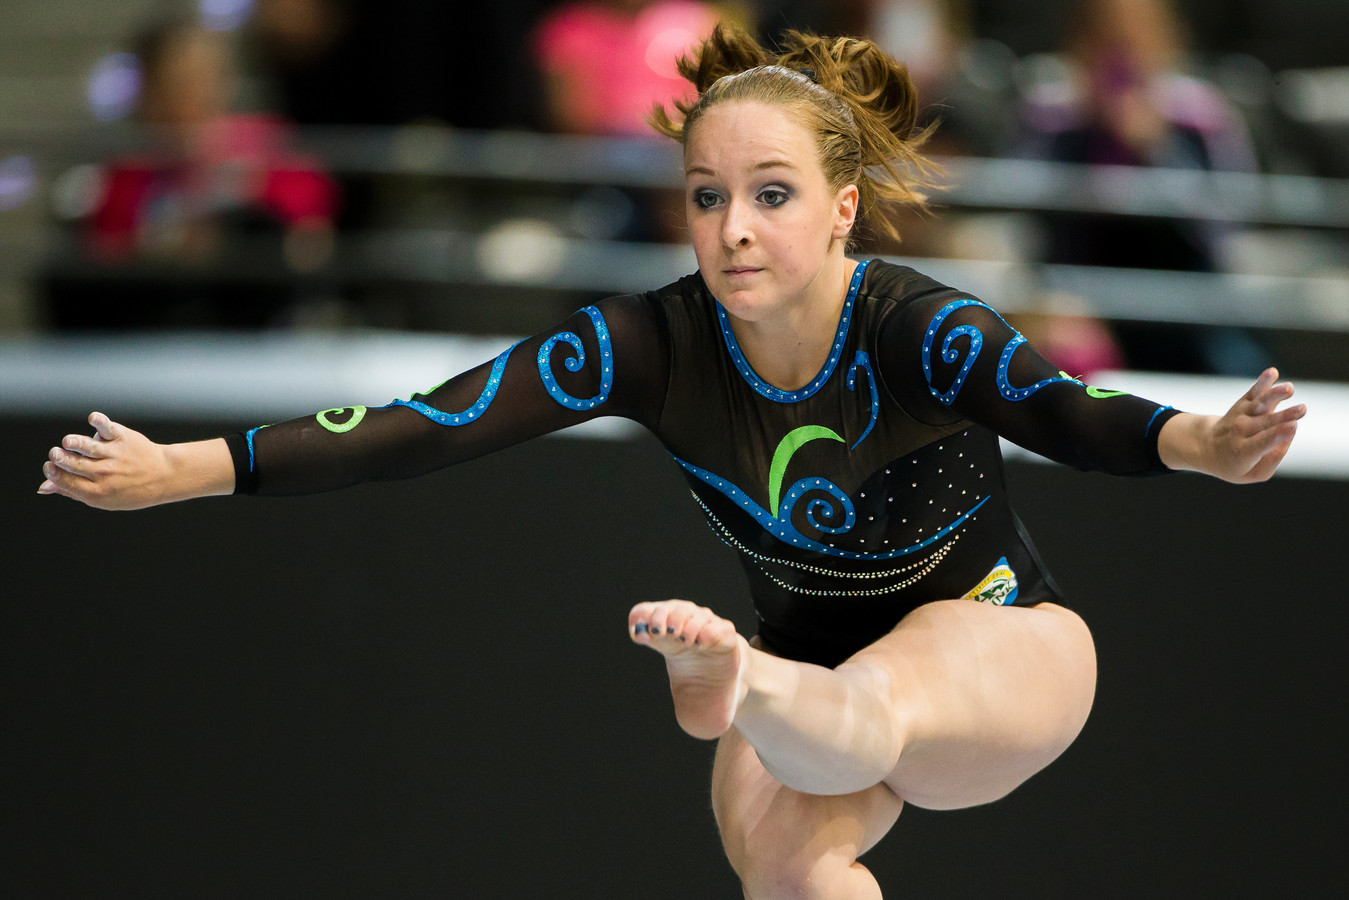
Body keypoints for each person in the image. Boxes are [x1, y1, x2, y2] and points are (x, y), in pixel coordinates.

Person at [37, 25, 1304, 899]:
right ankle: (750, 692)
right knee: (785, 863)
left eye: (769, 195)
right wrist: (184, 467)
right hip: (808, 678)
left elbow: (1065, 408)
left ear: (841, 206)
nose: (732, 230)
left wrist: (1201, 441)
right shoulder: (646, 343)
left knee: (873, 705)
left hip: (1000, 649)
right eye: (706, 197)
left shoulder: (913, 325)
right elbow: (428, 421)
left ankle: (740, 686)